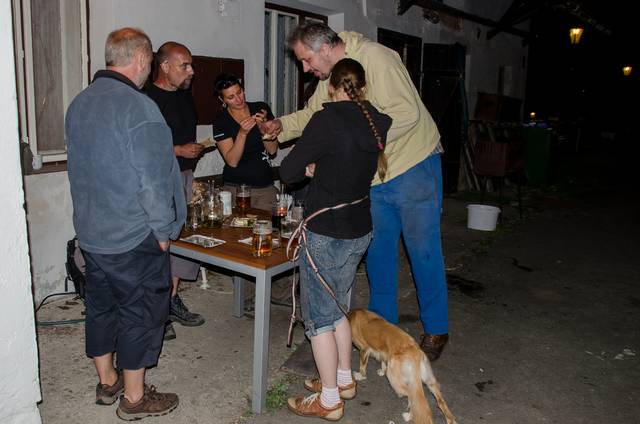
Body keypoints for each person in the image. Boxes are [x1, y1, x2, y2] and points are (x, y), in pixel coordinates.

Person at [262, 22, 450, 361]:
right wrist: (281, 126)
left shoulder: (377, 58)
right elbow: (314, 115)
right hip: (372, 174)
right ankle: (383, 328)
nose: (304, 68)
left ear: (324, 49)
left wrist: (359, 145)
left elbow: (407, 113)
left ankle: (436, 327)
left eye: (306, 59)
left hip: (413, 166)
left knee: (422, 250)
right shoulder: (331, 78)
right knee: (378, 253)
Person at [66, 28, 183, 420]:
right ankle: (134, 399)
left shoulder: (79, 103)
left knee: (100, 306)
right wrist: (162, 232)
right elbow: (154, 180)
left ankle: (108, 381)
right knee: (142, 312)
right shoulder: (139, 107)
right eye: (150, 60)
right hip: (132, 236)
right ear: (141, 58)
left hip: (92, 234)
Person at [279, 58, 392, 420]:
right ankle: (343, 379)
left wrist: (312, 168)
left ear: (331, 87)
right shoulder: (376, 120)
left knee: (319, 320)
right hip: (360, 228)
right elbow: (347, 165)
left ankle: (329, 400)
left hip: (327, 231)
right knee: (339, 307)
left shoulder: (327, 119)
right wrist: (323, 167)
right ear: (363, 87)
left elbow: (288, 170)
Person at [146, 42, 205, 338]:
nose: (191, 71)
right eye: (185, 65)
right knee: (159, 243)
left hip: (183, 176)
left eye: (191, 65)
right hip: (157, 180)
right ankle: (156, 312)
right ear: (165, 66)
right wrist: (178, 150)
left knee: (180, 240)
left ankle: (170, 301)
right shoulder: (146, 99)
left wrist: (190, 155)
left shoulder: (184, 95)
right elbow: (141, 147)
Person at [212, 74, 278, 210]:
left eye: (239, 92)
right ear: (222, 100)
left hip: (265, 188)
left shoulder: (260, 108)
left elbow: (272, 150)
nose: (238, 99)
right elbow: (232, 161)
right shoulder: (221, 121)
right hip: (236, 189)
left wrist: (264, 129)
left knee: (268, 223)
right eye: (231, 97)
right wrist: (242, 134)